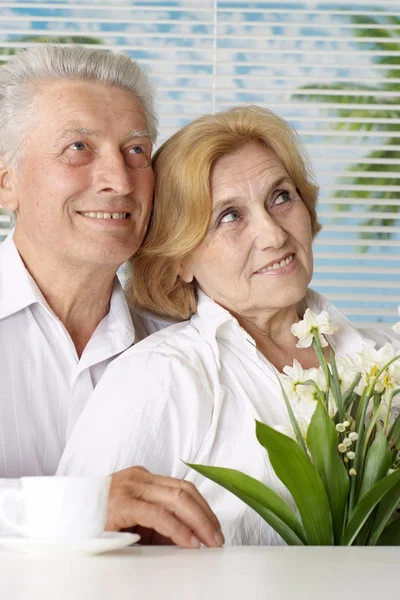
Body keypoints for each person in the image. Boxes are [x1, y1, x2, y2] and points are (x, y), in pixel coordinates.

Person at [58, 104, 400, 545]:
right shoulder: (163, 375)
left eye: (281, 197)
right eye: (230, 216)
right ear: (180, 258)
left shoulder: (386, 357)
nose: (274, 235)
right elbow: (65, 546)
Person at [0, 44, 224, 549]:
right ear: (5, 182)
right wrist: (85, 507)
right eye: (78, 147)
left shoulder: (184, 341)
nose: (119, 180)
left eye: (137, 151)